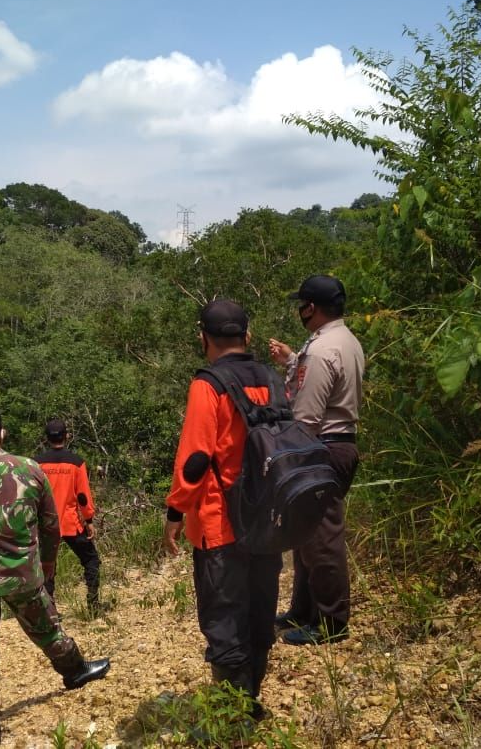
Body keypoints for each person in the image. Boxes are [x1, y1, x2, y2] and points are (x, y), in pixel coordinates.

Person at [0, 404, 110, 746]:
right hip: (25, 573)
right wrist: (48, 561)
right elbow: (51, 525)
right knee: (46, 628)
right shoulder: (30, 469)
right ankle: (75, 671)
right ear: (3, 434)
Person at [163, 298, 282, 720]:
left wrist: (176, 512)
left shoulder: (208, 384)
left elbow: (195, 458)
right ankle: (250, 701)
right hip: (269, 520)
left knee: (224, 618)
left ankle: (234, 718)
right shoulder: (271, 377)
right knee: (260, 611)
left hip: (220, 522)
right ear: (247, 336)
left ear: (203, 338)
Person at [267, 274, 364, 646]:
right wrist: (292, 359)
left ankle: (331, 623)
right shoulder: (344, 340)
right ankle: (304, 612)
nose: (299, 311)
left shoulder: (323, 350)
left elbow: (307, 412)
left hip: (322, 446)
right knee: (305, 534)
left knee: (322, 538)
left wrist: (285, 451)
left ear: (311, 307)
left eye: (301, 305)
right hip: (337, 442)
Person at [35, 419, 105, 614]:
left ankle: (50, 612)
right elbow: (83, 495)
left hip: (46, 525)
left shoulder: (37, 463)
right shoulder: (76, 462)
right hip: (70, 523)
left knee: (48, 566)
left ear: (46, 438)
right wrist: (89, 520)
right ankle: (93, 604)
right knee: (91, 560)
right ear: (66, 436)